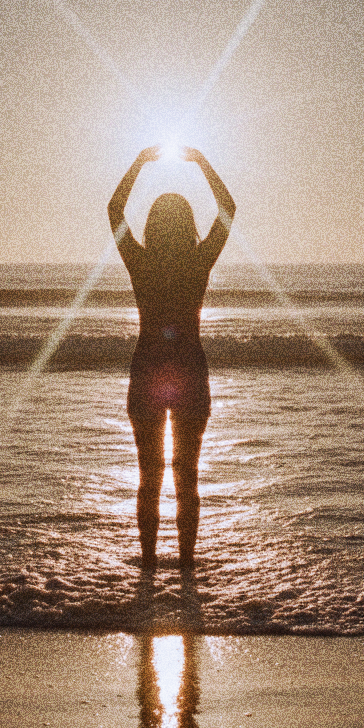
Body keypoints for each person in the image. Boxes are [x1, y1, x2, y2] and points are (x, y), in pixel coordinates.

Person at [108, 146, 236, 570]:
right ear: (188, 226)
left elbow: (114, 209)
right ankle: (184, 568)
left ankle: (147, 567)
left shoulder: (140, 262)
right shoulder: (198, 262)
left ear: (152, 227)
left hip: (147, 371)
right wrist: (201, 163)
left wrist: (140, 164)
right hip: (190, 374)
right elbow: (228, 210)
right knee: (187, 479)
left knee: (150, 477)